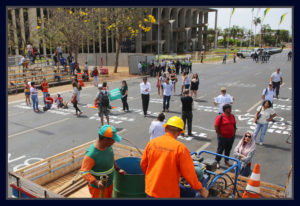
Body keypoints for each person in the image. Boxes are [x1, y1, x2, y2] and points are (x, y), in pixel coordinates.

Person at [140, 116, 209, 198]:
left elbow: (143, 164)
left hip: (151, 190)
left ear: (165, 129)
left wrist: (154, 178)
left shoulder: (152, 143)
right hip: (169, 194)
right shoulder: (180, 148)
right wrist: (200, 188)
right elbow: (189, 174)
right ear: (179, 133)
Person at [80, 125, 126, 198]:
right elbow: (84, 171)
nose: (114, 142)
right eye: (113, 140)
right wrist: (96, 182)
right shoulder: (92, 154)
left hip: (110, 183)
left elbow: (111, 158)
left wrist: (117, 169)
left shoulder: (108, 146)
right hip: (98, 188)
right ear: (105, 139)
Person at [214, 104, 237, 169]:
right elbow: (216, 126)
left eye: (230, 108)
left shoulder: (232, 116)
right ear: (225, 109)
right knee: (220, 150)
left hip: (231, 137)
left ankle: (226, 160)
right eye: (229, 108)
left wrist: (234, 133)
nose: (230, 109)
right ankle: (217, 161)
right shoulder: (220, 117)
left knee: (228, 149)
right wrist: (219, 134)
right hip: (222, 137)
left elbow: (234, 125)